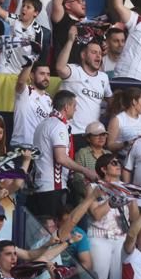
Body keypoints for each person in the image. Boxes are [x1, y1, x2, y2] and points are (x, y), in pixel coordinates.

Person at [31, 90, 98, 218]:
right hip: (53, 186)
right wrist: (85, 170)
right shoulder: (58, 126)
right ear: (66, 107)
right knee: (54, 229)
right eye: (74, 106)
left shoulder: (43, 124)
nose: (76, 109)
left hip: (41, 184)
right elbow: (61, 158)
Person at [55, 27, 113, 136]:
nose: (98, 56)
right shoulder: (75, 71)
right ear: (83, 55)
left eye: (100, 53)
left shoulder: (103, 77)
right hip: (71, 133)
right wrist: (70, 40)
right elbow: (60, 68)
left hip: (93, 135)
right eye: (94, 52)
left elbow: (112, 102)